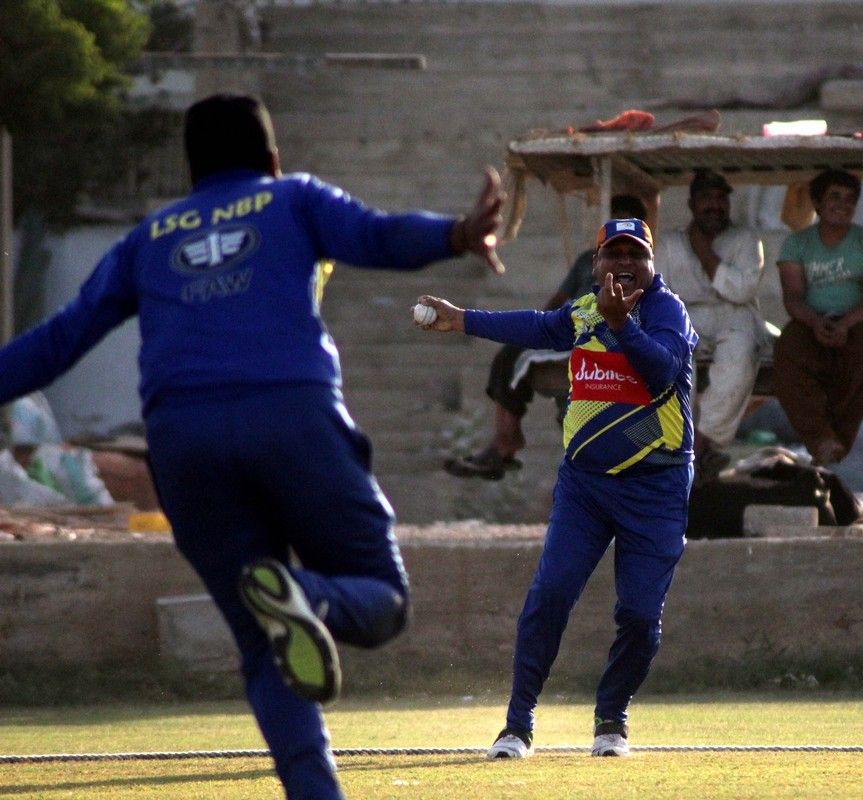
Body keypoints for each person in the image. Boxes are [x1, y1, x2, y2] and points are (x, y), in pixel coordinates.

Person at [0, 93, 505, 800]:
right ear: (271, 159)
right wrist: (454, 233)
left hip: (183, 442)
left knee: (265, 642)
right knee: (382, 600)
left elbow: (59, 340)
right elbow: (376, 235)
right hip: (290, 417)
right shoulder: (292, 198)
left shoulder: (149, 238)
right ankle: (309, 595)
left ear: (192, 172)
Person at [416, 217, 697, 759]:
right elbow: (534, 326)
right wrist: (462, 319)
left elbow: (662, 371)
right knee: (550, 595)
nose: (624, 263)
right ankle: (517, 725)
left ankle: (611, 718)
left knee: (640, 616)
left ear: (651, 264)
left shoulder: (667, 311)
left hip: (655, 487)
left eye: (635, 255)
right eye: (613, 254)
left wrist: (622, 324)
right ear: (595, 265)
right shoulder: (585, 310)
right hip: (585, 487)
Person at [444, 194, 650, 479]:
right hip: (572, 331)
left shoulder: (644, 275)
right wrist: (541, 329)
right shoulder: (588, 265)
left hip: (609, 345)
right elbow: (556, 304)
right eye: (616, 223)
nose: (623, 255)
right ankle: (505, 440)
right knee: (509, 355)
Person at [773, 168, 863, 466]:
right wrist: (816, 322)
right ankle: (819, 438)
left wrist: (846, 324)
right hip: (809, 320)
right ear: (817, 202)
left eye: (850, 199)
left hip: (856, 321)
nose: (842, 204)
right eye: (834, 197)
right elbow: (793, 296)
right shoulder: (796, 244)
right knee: (786, 350)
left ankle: (837, 438)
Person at [655, 169, 766, 480]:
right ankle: (680, 443)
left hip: (734, 314)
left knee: (740, 354)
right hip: (685, 314)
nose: (714, 205)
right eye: (706, 198)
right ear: (692, 204)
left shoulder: (746, 240)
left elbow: (741, 291)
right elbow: (658, 293)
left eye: (720, 199)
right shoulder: (670, 243)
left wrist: (705, 254)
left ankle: (702, 443)